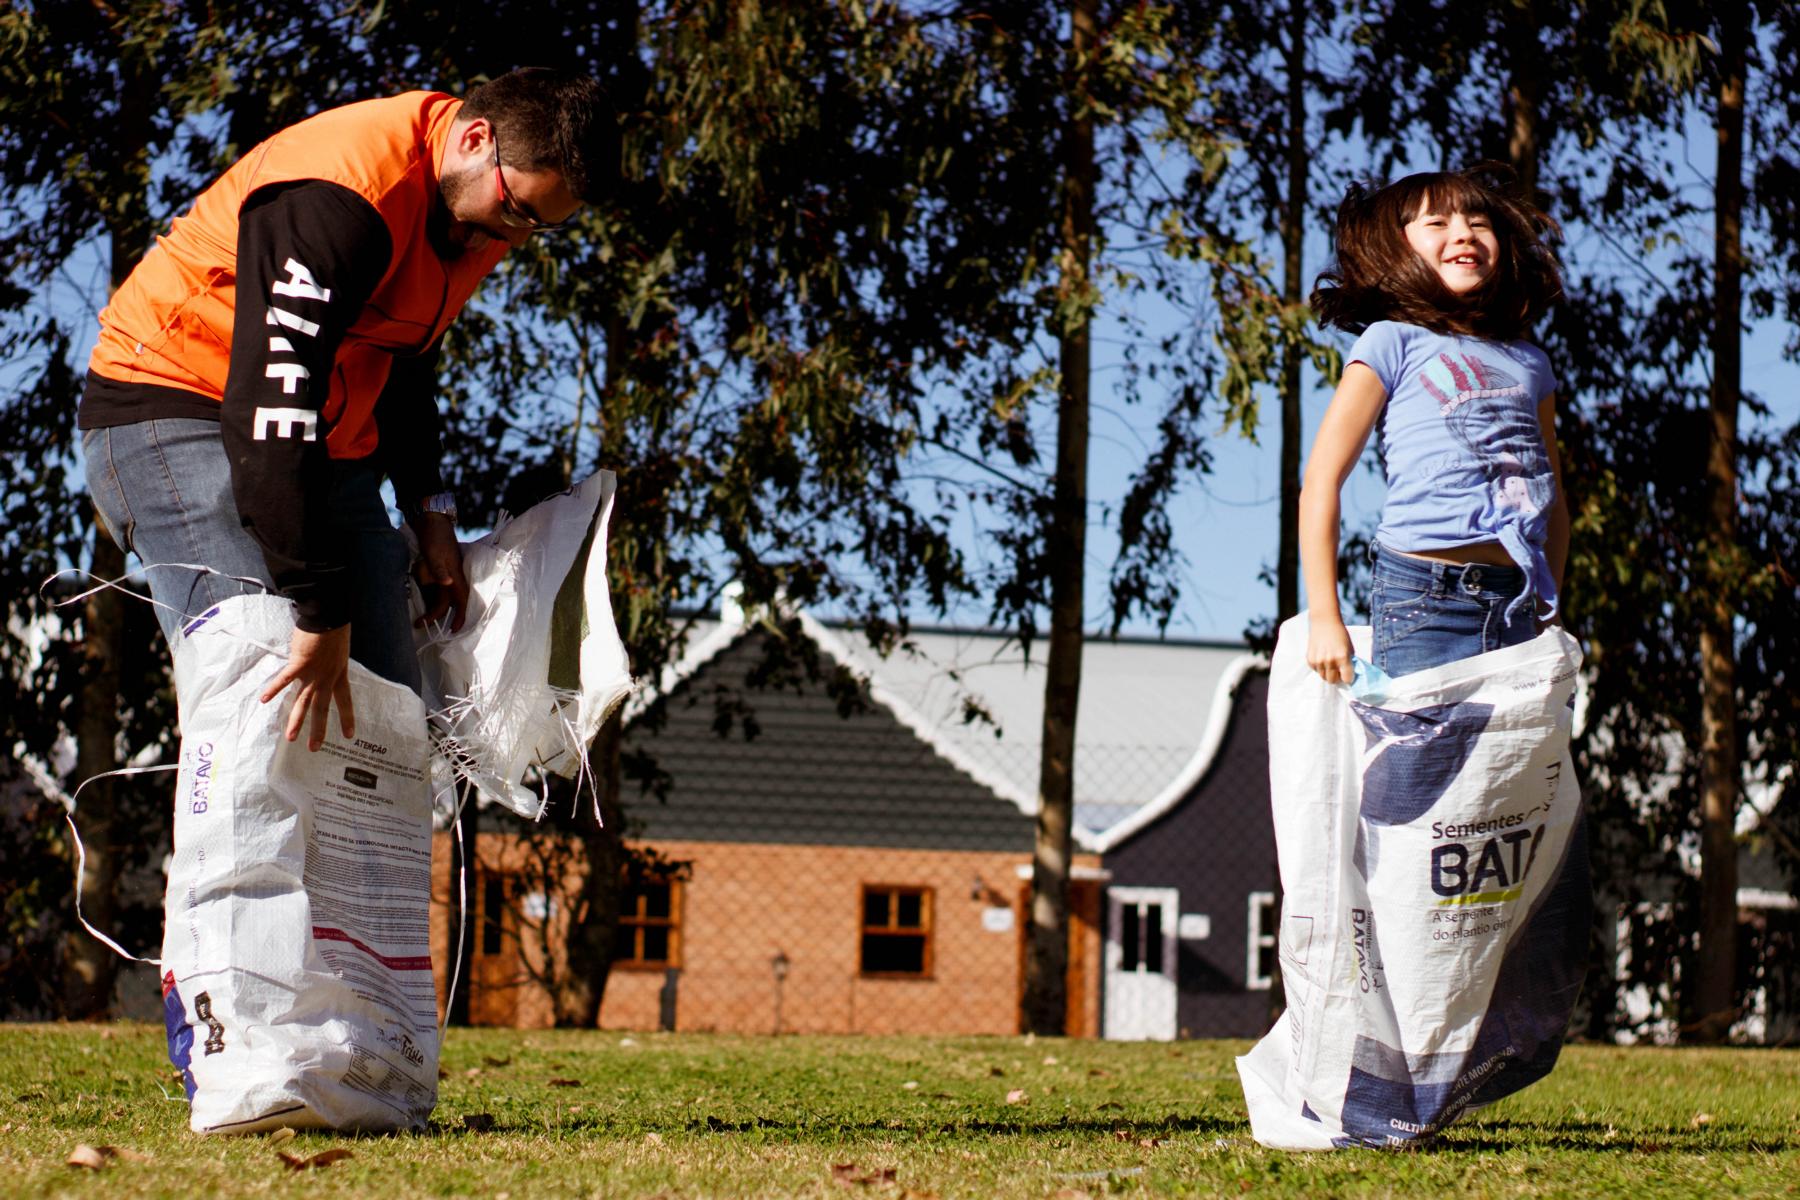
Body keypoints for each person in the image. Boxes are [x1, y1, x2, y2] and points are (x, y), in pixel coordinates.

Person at [80, 68, 613, 749]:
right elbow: (271, 401)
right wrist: (320, 609)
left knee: (385, 721)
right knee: (268, 685)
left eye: (542, 224)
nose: (517, 238)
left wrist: (431, 511)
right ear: (477, 138)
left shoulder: (478, 209)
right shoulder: (340, 193)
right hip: (181, 407)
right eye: (518, 211)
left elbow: (407, 355)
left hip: (320, 440)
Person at [1299, 167, 1567, 682]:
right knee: (1418, 760)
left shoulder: (1531, 363)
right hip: (1424, 595)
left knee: (1511, 761)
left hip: (1517, 598)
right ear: (1400, 247)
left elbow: (1553, 500)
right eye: (1438, 223)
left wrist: (1551, 615)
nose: (1464, 233)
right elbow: (1322, 482)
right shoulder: (1390, 341)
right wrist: (1324, 617)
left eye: (1478, 221)